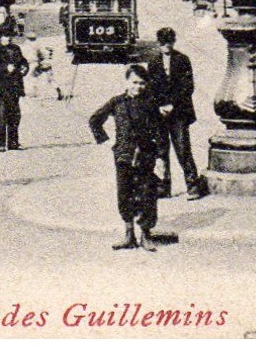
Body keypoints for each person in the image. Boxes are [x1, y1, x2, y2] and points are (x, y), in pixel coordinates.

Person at [89, 64, 166, 252]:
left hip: (146, 155)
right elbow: (94, 120)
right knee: (124, 194)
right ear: (127, 82)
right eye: (134, 82)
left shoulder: (150, 103)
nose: (138, 87)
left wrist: (161, 157)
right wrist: (106, 142)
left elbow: (160, 131)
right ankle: (129, 234)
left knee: (147, 194)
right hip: (123, 155)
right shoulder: (116, 102)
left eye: (141, 83)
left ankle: (145, 235)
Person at [145, 27, 208, 200]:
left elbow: (187, 87)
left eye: (169, 42)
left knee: (183, 149)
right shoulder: (153, 62)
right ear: (158, 43)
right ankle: (163, 186)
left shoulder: (182, 60)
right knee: (160, 150)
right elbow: (150, 89)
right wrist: (158, 106)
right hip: (159, 114)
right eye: (163, 43)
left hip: (178, 113)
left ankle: (192, 185)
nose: (166, 45)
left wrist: (172, 104)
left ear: (174, 41)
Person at [0, 29, 30, 151]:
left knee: (15, 116)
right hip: (1, 88)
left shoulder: (16, 48)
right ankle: (1, 144)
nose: (8, 38)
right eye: (5, 36)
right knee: (1, 116)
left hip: (15, 88)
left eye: (10, 36)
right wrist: (5, 68)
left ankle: (13, 142)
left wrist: (24, 69)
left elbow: (23, 62)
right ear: (0, 37)